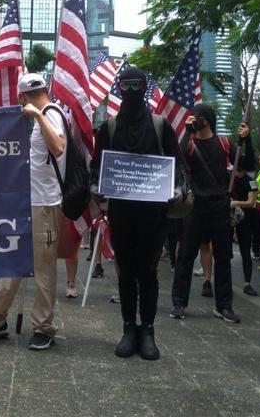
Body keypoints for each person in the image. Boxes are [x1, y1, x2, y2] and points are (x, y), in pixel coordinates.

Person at [0, 73, 66, 351]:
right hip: (25, 201)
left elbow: (57, 147)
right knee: (12, 260)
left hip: (45, 202)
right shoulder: (37, 115)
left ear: (22, 97)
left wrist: (38, 116)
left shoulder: (51, 113)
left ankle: (43, 327)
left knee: (43, 268)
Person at [90, 66, 181, 359]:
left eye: (136, 86)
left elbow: (177, 164)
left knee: (149, 272)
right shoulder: (109, 128)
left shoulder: (161, 126)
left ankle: (149, 329)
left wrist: (176, 187)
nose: (131, 92)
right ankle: (129, 328)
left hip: (154, 215)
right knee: (126, 271)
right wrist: (96, 187)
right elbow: (97, 167)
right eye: (126, 86)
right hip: (122, 212)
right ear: (118, 88)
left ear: (145, 88)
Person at [170, 104, 253, 324]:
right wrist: (187, 132)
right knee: (186, 256)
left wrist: (248, 140)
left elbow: (247, 164)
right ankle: (179, 302)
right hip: (195, 208)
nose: (192, 119)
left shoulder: (225, 144)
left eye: (196, 116)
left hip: (219, 209)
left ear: (206, 120)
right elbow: (178, 161)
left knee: (223, 258)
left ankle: (224, 305)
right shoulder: (190, 144)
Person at [230, 158, 258, 296]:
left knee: (246, 251)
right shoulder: (229, 179)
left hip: (245, 220)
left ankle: (248, 282)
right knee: (225, 252)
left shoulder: (250, 181)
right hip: (229, 219)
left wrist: (234, 203)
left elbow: (251, 202)